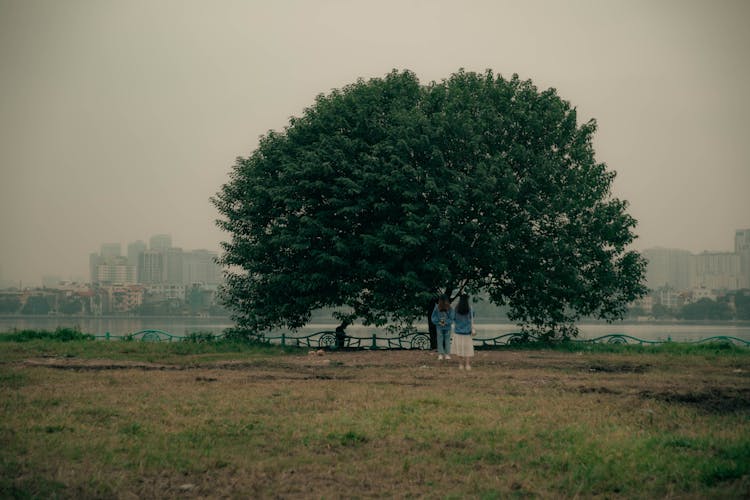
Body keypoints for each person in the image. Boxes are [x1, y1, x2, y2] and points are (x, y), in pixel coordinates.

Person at [451, 293, 475, 370]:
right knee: (467, 349)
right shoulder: (470, 309)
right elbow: (472, 318)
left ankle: (460, 365)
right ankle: (467, 365)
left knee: (459, 349)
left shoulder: (456, 309)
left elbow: (453, 318)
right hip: (467, 332)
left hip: (458, 332)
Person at [430, 294, 454, 360]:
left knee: (440, 340)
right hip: (447, 326)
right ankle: (447, 355)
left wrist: (438, 322)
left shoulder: (437, 307)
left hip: (439, 326)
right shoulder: (449, 308)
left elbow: (433, 318)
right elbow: (452, 318)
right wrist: (446, 322)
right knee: (447, 340)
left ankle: (440, 355)